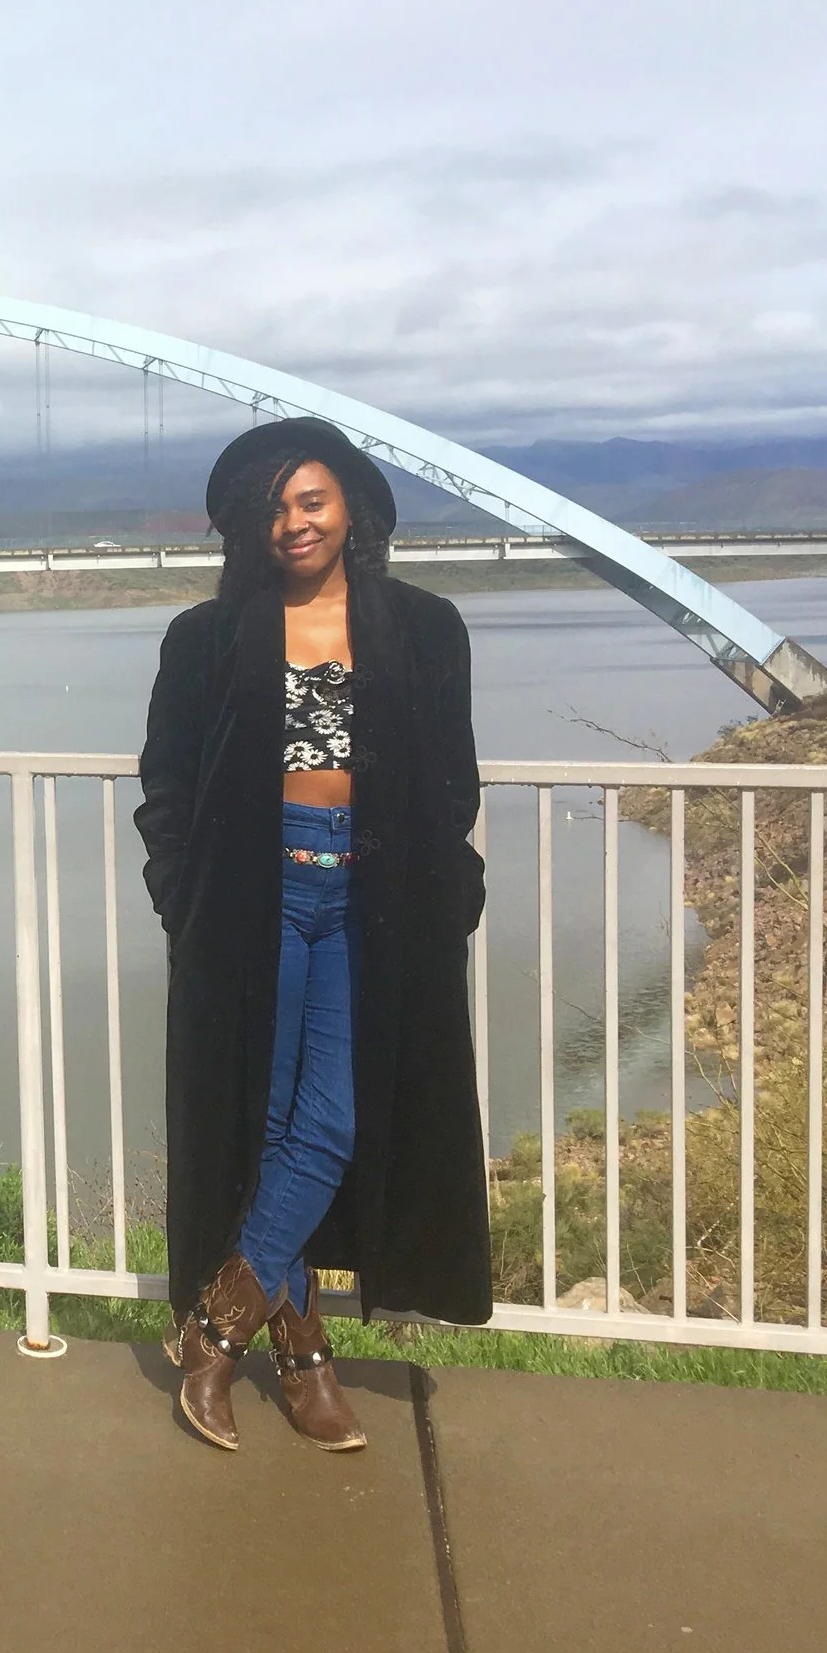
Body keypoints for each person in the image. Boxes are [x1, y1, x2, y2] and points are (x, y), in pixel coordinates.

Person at [135, 417, 491, 1454]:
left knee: (331, 1119)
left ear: (351, 509)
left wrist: (449, 891)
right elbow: (166, 785)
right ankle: (303, 1360)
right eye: (273, 508)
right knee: (259, 1123)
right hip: (251, 895)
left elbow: (452, 781)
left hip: (374, 899)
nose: (293, 522)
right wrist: (181, 895)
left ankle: (214, 1332)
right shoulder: (205, 638)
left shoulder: (424, 628)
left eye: (311, 500)